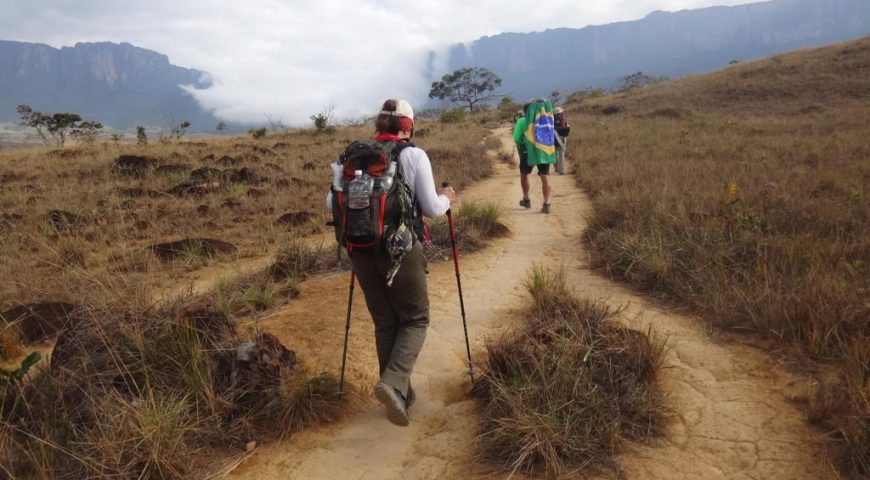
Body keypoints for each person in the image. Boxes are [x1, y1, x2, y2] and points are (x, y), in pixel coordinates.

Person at [351, 98, 456, 426]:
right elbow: (432, 208)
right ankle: (393, 382)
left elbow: (333, 202)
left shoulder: (354, 155)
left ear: (380, 123)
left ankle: (400, 395)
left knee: (385, 322)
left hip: (360, 250)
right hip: (400, 248)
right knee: (415, 320)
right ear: (408, 126)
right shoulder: (413, 155)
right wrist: (447, 197)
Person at [513, 99, 556, 213]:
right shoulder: (546, 118)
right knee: (545, 176)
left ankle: (526, 199)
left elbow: (516, 138)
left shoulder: (522, 120)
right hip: (543, 151)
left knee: (524, 174)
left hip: (527, 152)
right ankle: (547, 204)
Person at [553, 106, 571, 175]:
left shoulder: (552, 119)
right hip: (563, 138)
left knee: (554, 154)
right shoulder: (563, 119)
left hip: (554, 138)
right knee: (561, 154)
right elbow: (567, 127)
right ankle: (561, 170)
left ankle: (556, 168)